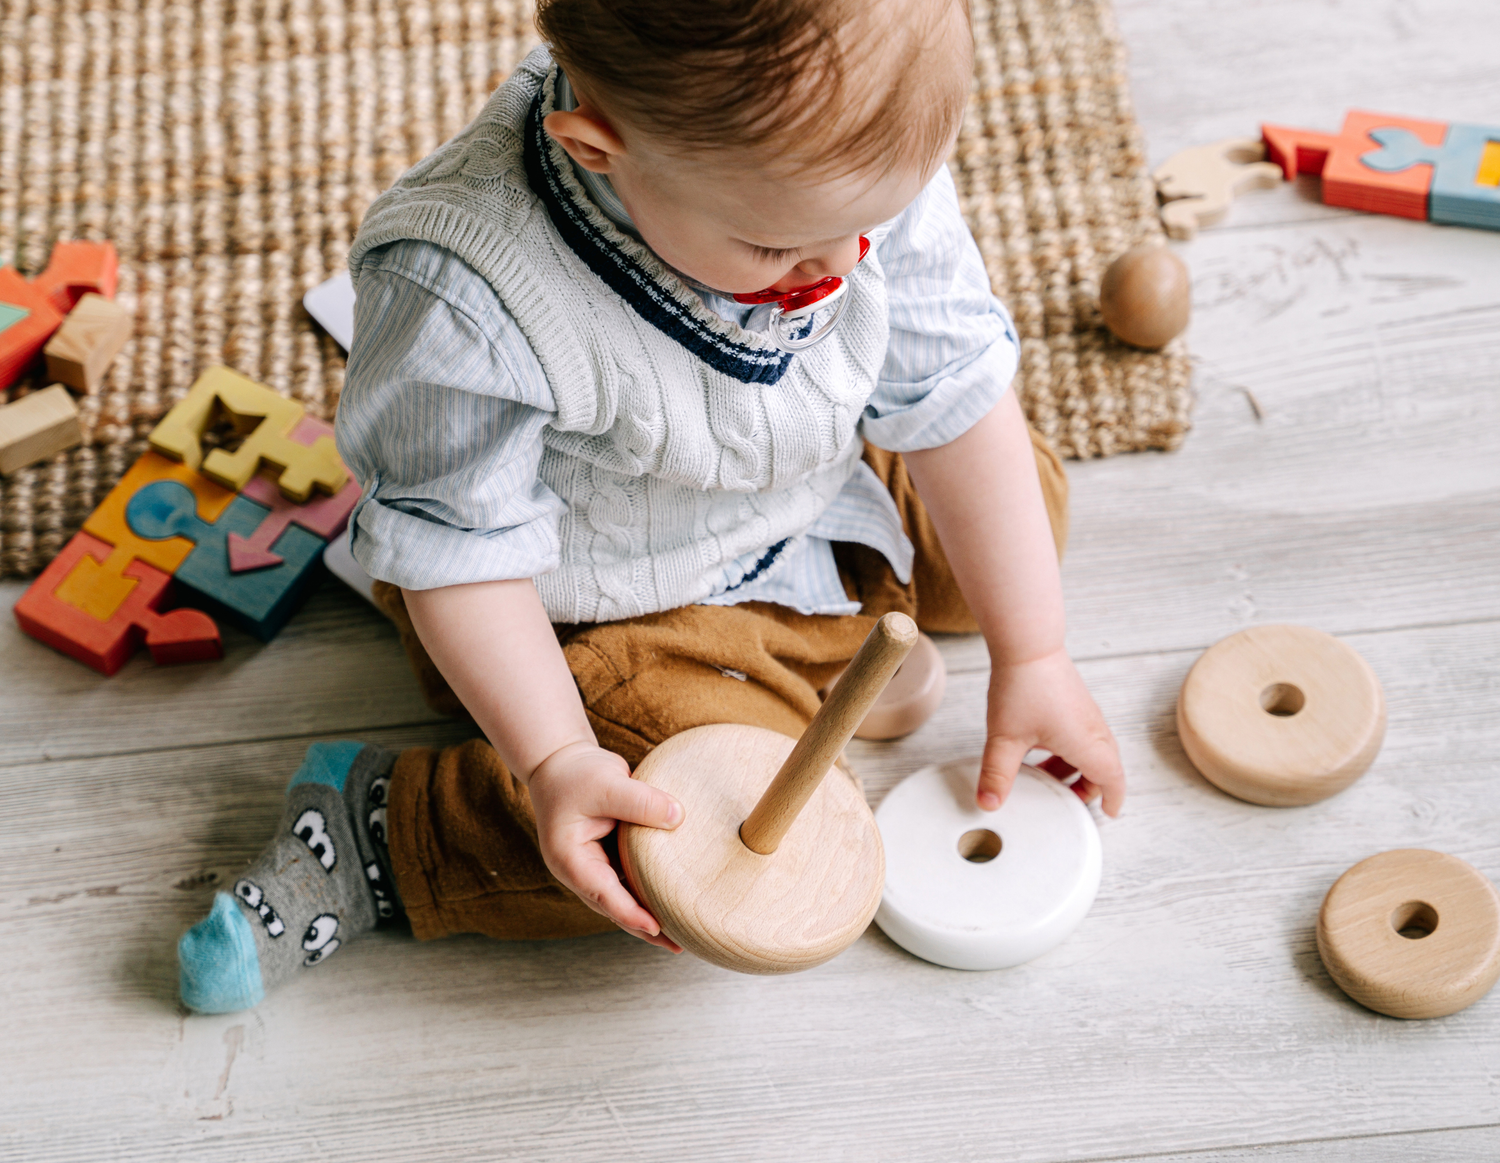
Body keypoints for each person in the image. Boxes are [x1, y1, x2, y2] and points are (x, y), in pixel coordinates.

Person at [178, 0, 1125, 1014]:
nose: (842, 266)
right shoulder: (462, 292)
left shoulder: (836, 171)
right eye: (779, 249)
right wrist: (552, 758)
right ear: (597, 148)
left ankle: (833, 626)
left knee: (1021, 510)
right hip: (598, 606)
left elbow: (948, 387)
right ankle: (384, 831)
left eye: (867, 224)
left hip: (806, 482)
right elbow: (463, 559)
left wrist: (1036, 653)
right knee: (683, 838)